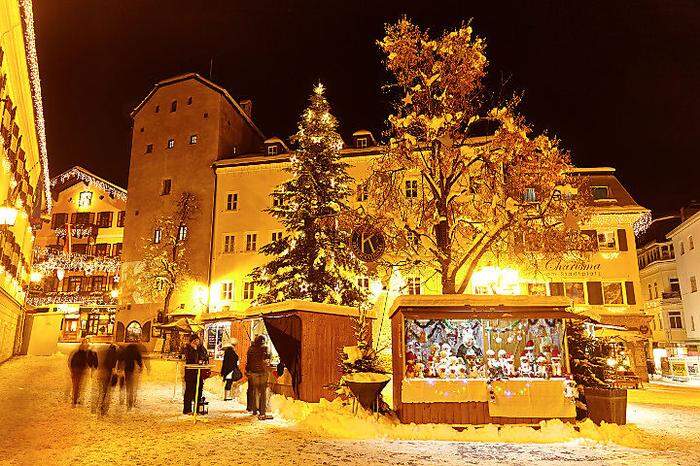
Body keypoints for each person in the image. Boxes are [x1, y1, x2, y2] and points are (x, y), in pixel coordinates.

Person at [246, 335, 272, 420]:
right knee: (263, 393)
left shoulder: (250, 349)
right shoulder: (264, 349)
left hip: (253, 373)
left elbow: (248, 361)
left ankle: (254, 410)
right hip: (262, 372)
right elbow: (267, 359)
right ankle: (262, 412)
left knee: (255, 391)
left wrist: (248, 370)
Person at [183, 334, 208, 415]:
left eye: (197, 340)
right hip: (190, 373)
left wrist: (202, 358)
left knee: (199, 391)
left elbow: (205, 356)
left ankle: (197, 409)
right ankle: (187, 409)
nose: (196, 342)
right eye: (195, 340)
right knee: (189, 391)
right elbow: (189, 359)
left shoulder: (201, 348)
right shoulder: (188, 348)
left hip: (199, 372)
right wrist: (193, 349)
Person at [68, 338, 98, 406]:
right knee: (76, 386)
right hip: (76, 370)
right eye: (85, 343)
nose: (86, 345)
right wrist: (72, 370)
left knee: (78, 385)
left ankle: (75, 398)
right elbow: (72, 361)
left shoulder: (85, 352)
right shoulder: (79, 353)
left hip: (80, 370)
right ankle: (74, 400)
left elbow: (90, 361)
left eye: (86, 343)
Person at [92, 343, 120, 415]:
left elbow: (94, 360)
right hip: (107, 372)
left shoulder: (99, 349)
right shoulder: (112, 351)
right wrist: (114, 370)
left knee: (100, 390)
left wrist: (94, 368)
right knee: (105, 390)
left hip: (100, 371)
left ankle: (96, 407)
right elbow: (111, 362)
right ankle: (102, 409)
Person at [118, 342, 144, 410]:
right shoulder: (135, 351)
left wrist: (119, 369)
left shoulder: (124, 350)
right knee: (131, 387)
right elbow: (139, 359)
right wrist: (141, 367)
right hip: (130, 370)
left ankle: (121, 400)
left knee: (122, 386)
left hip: (123, 370)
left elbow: (119, 359)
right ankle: (129, 404)